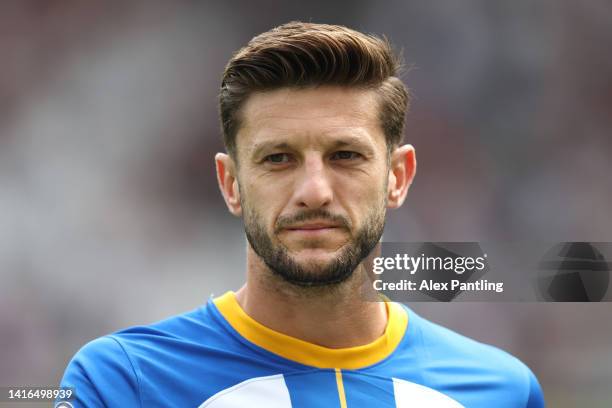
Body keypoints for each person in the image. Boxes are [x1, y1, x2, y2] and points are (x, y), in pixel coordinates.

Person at [58, 21, 545, 407]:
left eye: (345, 156)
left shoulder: (502, 390)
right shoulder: (124, 383)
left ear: (398, 176)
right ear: (231, 185)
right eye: (278, 159)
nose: (314, 191)